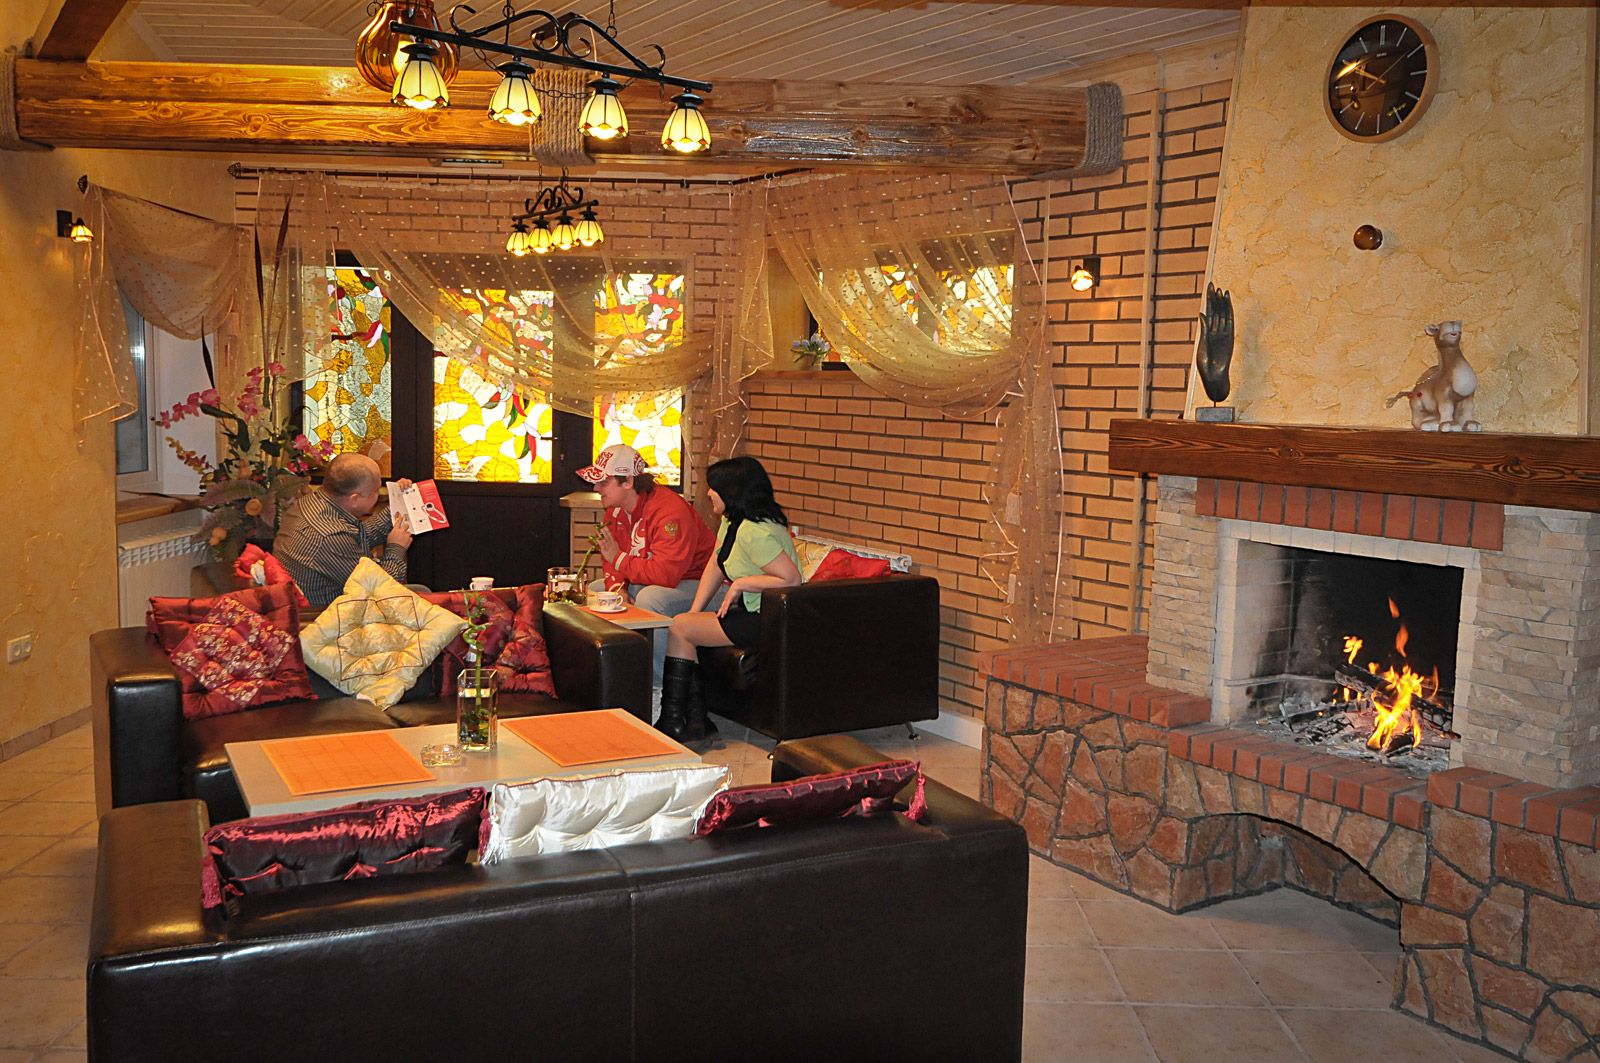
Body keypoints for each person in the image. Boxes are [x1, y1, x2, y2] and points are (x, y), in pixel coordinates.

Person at [657, 455, 801, 746]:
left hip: (771, 619)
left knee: (680, 628)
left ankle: (681, 722)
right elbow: (716, 563)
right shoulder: (732, 521)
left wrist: (742, 583)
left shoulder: (755, 532)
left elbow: (791, 579)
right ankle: (691, 722)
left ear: (732, 492)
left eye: (714, 488)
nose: (709, 493)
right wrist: (695, 611)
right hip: (749, 612)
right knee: (683, 625)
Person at [577, 444, 720, 684]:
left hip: (705, 586)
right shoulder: (615, 510)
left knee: (651, 598)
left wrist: (619, 560)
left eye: (603, 482)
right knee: (598, 591)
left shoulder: (669, 511)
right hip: (658, 580)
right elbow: (611, 557)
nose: (596, 488)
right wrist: (618, 589)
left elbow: (665, 574)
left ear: (628, 482)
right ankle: (617, 678)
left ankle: (657, 688)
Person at [275, 453, 413, 609]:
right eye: (375, 491)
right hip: (324, 614)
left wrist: (397, 504)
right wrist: (396, 547)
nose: (380, 495)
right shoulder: (330, 537)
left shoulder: (309, 503)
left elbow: (358, 536)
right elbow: (381, 592)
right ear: (354, 499)